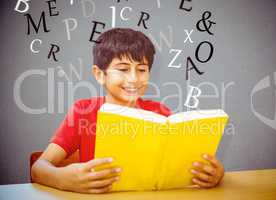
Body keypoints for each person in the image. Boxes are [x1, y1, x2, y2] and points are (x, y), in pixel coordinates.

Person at [31, 28, 224, 194]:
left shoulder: (160, 112)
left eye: (142, 69)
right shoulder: (83, 111)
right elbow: (38, 168)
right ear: (99, 74)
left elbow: (179, 167)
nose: (133, 78)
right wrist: (62, 179)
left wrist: (214, 174)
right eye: (123, 69)